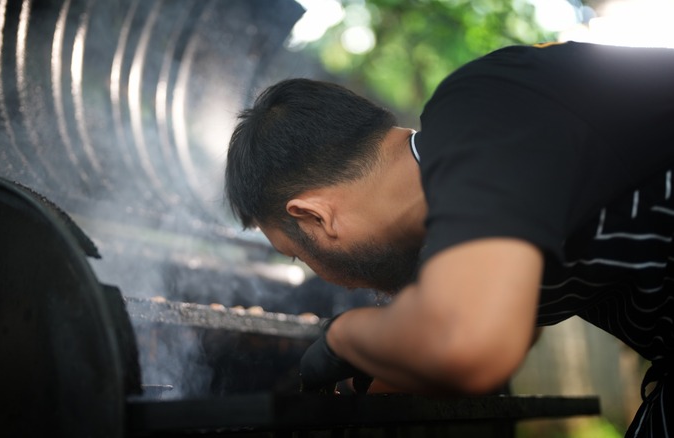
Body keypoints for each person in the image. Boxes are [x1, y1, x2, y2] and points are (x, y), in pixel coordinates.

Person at [224, 41, 674, 436]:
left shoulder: (480, 105)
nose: (334, 283)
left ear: (314, 216)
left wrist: (343, 337)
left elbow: (469, 348)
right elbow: (506, 327)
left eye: (300, 256)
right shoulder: (469, 201)